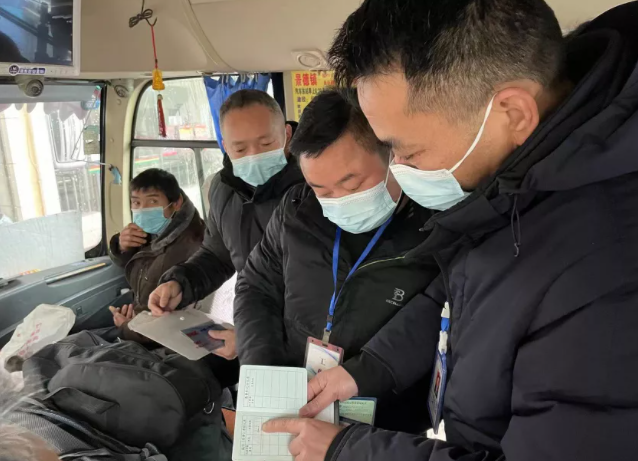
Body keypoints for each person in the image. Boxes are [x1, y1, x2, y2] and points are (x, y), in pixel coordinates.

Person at [263, 1, 638, 461]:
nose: (398, 169)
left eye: (408, 151)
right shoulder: (509, 189)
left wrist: (347, 450)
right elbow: (459, 293)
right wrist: (365, 372)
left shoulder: (607, 271)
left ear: (513, 114)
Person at [234, 89, 440, 434]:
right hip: (300, 403)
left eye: (351, 184)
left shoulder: (437, 225)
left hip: (388, 423)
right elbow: (256, 286)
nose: (339, 200)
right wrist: (263, 370)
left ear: (392, 155)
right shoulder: (296, 211)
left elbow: (441, 312)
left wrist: (365, 374)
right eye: (322, 190)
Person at [149, 90, 303, 365]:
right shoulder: (222, 190)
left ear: (287, 135)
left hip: (305, 340)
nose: (254, 156)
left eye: (266, 143)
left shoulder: (315, 186)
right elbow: (217, 255)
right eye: (240, 149)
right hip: (253, 327)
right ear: (225, 145)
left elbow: (321, 287)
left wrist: (253, 337)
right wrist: (180, 283)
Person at [109, 168, 205, 332]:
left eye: (152, 201)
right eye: (136, 203)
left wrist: (127, 326)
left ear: (176, 203)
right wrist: (122, 247)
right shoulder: (151, 231)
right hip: (139, 318)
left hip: (156, 335)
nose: (142, 210)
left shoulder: (192, 244)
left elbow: (171, 319)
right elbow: (138, 265)